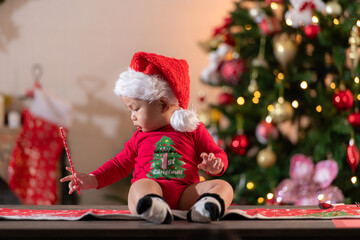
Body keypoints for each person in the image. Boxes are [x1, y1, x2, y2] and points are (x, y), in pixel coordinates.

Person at [60, 52, 234, 224]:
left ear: (163, 104)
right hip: (151, 190)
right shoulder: (139, 137)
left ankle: (207, 207)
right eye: (130, 111)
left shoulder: (192, 130)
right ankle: (152, 207)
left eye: (135, 109)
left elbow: (217, 154)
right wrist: (92, 179)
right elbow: (119, 165)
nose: (132, 116)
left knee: (224, 187)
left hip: (186, 196)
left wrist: (215, 165)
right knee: (139, 186)